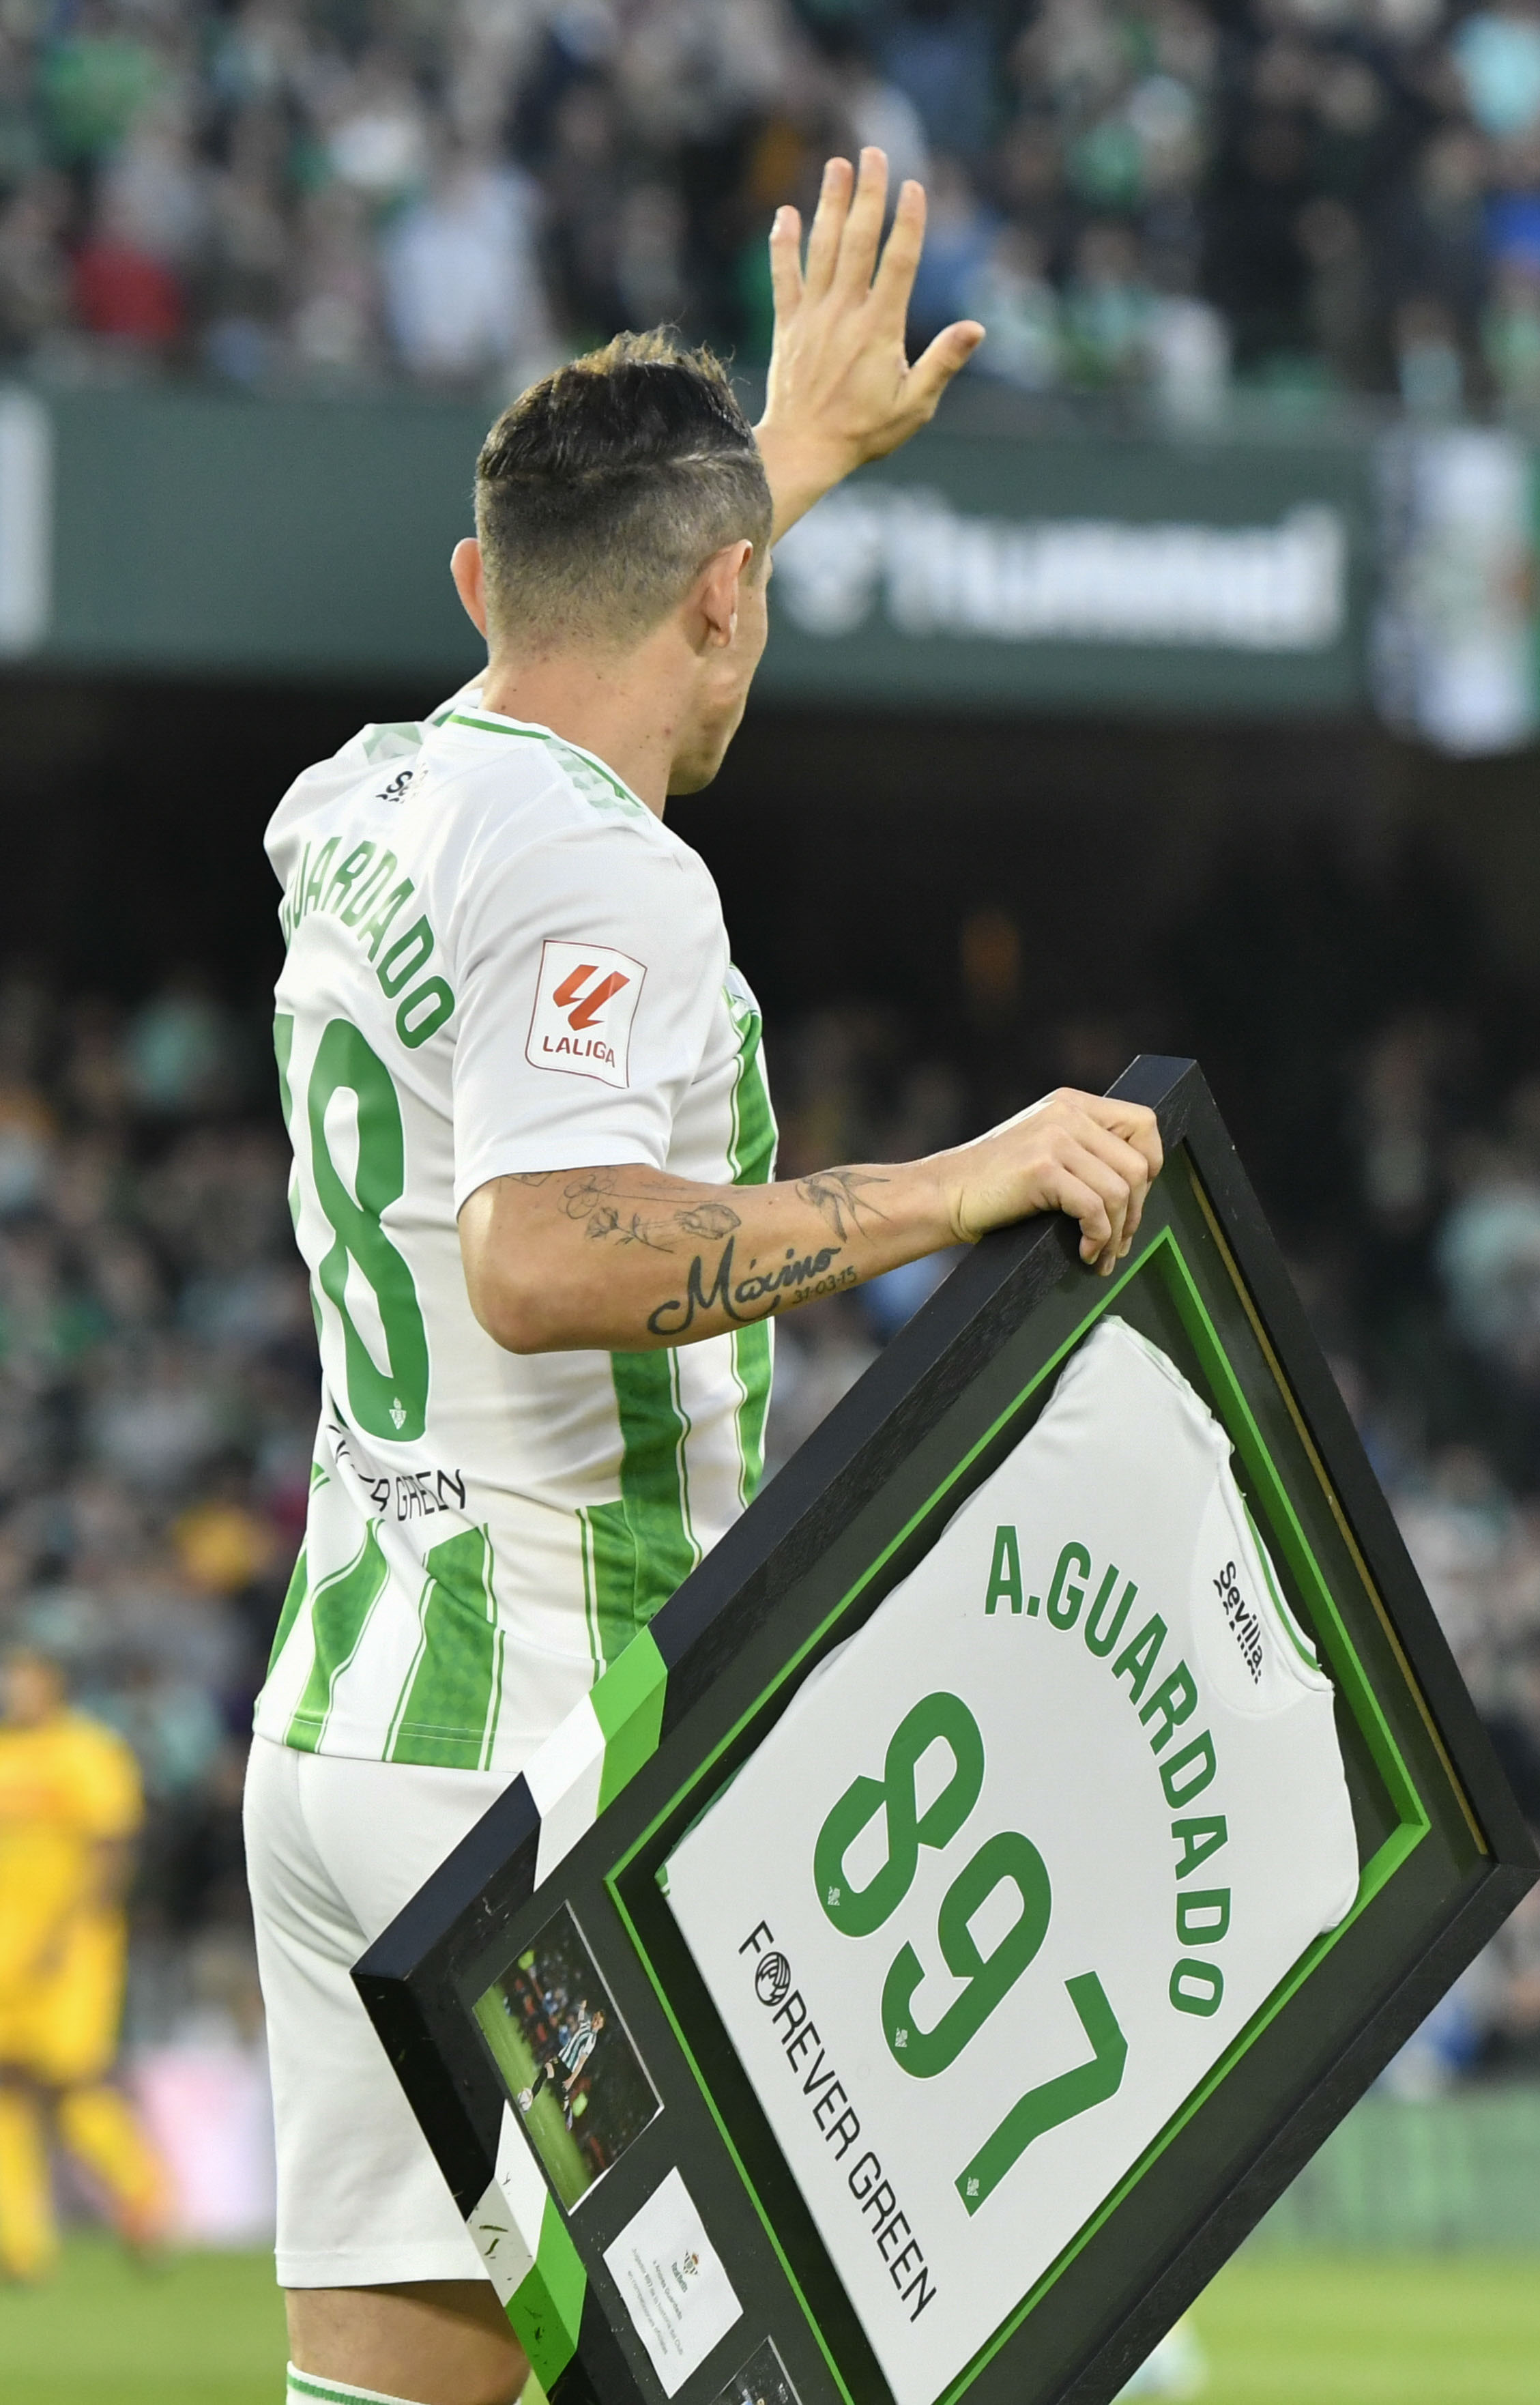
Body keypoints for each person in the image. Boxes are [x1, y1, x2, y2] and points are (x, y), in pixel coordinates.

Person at [248, 150, 1167, 2405]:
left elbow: (592, 676)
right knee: (1016, 2336)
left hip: (355, 1714)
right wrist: (953, 1182)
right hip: (552, 1753)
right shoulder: (613, 880)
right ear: (734, 606)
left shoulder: (359, 796)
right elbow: (548, 1261)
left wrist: (787, 470)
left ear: (478, 580)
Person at [0, 1645, 171, 2281]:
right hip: (6, 1949)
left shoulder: (87, 1751)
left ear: (55, 1684)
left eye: (26, 1679)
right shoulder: (5, 1753)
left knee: (72, 2084)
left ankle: (146, 2202)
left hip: (72, 1947)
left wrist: (67, 1935)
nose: (16, 1690)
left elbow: (109, 1849)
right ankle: (22, 2246)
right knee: (7, 2086)